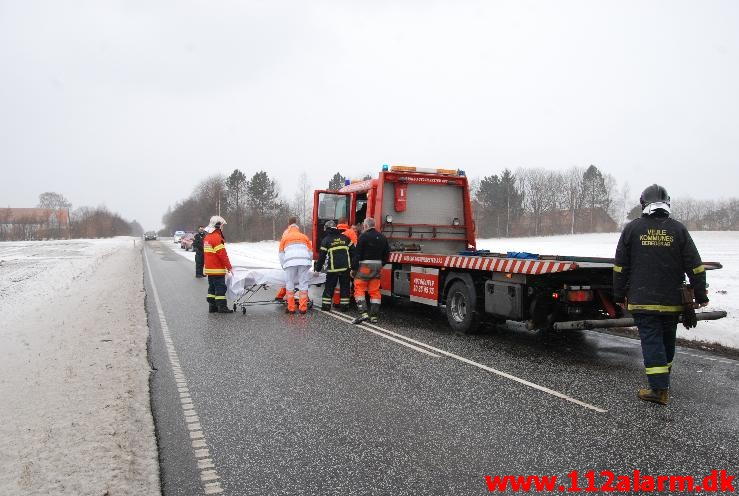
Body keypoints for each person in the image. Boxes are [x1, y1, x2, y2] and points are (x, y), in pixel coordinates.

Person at [613, 184, 708, 405]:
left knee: (652, 341)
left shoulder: (632, 229)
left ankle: (658, 389)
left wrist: (618, 294)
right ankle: (663, 381)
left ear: (643, 203)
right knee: (666, 340)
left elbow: (620, 267)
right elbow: (695, 266)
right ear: (667, 204)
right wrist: (701, 295)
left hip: (643, 300)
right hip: (671, 300)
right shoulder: (678, 229)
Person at [351, 218, 390, 324]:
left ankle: (363, 313)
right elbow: (387, 254)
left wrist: (354, 268)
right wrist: (381, 264)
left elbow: (357, 254)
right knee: (375, 291)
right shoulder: (382, 237)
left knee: (359, 288)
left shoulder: (363, 236)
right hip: (377, 266)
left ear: (366, 226)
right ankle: (374, 316)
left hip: (365, 266)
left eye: (364, 226)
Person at [315, 220, 354, 311]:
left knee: (329, 287)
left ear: (327, 229)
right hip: (345, 268)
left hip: (333, 268)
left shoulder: (326, 240)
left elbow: (322, 257)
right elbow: (354, 252)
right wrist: (353, 267)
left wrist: (317, 269)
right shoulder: (345, 238)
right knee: (345, 287)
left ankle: (326, 306)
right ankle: (344, 307)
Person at [278, 217, 313, 314]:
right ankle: (303, 308)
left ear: (288, 225)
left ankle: (291, 308)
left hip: (290, 262)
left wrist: (283, 265)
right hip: (304, 262)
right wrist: (308, 264)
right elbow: (310, 253)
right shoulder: (304, 237)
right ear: (297, 226)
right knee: (303, 284)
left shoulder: (285, 237)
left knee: (290, 284)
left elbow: (281, 254)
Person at [203, 216, 233, 314]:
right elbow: (222, 255)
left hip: (210, 269)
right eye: (222, 225)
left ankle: (212, 307)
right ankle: (222, 307)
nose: (223, 227)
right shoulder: (216, 238)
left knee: (212, 287)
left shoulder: (207, 237)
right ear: (218, 225)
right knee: (220, 288)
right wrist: (229, 267)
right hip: (217, 269)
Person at [331, 217, 357, 306]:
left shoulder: (334, 232)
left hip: (334, 262)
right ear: (346, 222)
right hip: (347, 262)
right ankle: (345, 303)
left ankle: (336, 302)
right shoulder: (350, 232)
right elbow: (354, 248)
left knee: (337, 284)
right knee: (346, 283)